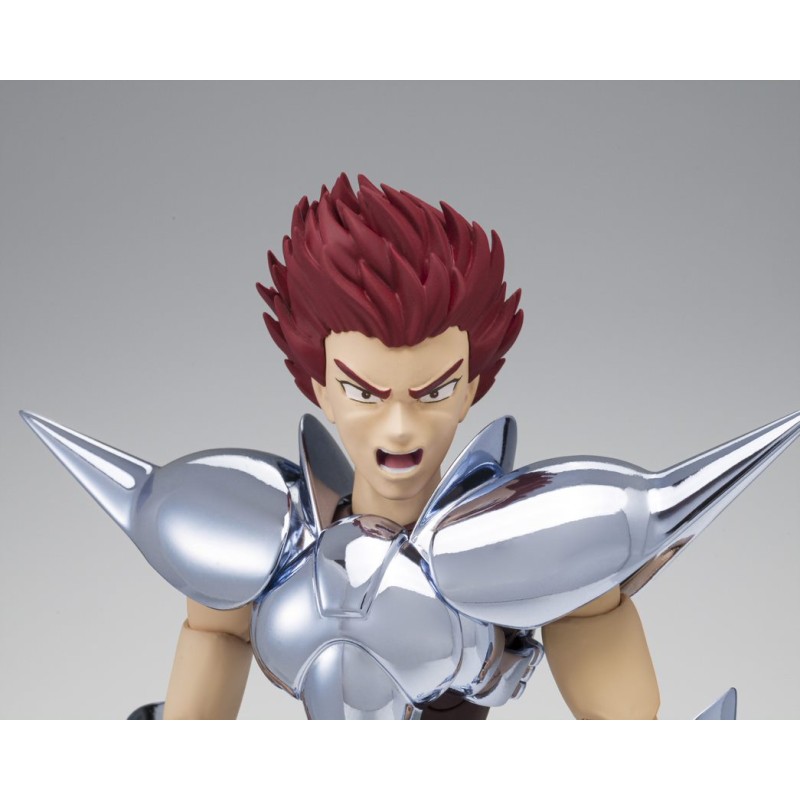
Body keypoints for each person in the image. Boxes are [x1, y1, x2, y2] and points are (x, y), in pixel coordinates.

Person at [162, 174, 660, 719]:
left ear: (471, 389)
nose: (399, 427)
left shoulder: (520, 542)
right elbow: (199, 688)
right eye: (363, 393)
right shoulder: (267, 543)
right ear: (321, 390)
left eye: (434, 392)